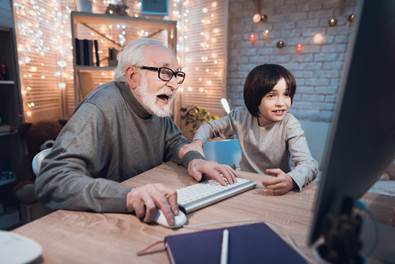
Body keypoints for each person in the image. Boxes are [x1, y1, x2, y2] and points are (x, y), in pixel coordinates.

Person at [35, 39, 236, 226]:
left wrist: (195, 160)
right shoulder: (99, 108)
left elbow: (175, 142)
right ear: (132, 76)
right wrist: (128, 196)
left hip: (144, 215)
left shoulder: (154, 105)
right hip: (101, 224)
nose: (174, 85)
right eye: (165, 72)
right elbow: (52, 179)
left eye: (177, 75)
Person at [191, 64, 318, 195]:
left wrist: (291, 179)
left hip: (274, 187)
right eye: (271, 95)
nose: (281, 102)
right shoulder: (239, 116)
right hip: (243, 182)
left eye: (286, 94)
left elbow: (309, 164)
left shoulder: (289, 124)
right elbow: (208, 127)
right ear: (255, 97)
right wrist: (197, 143)